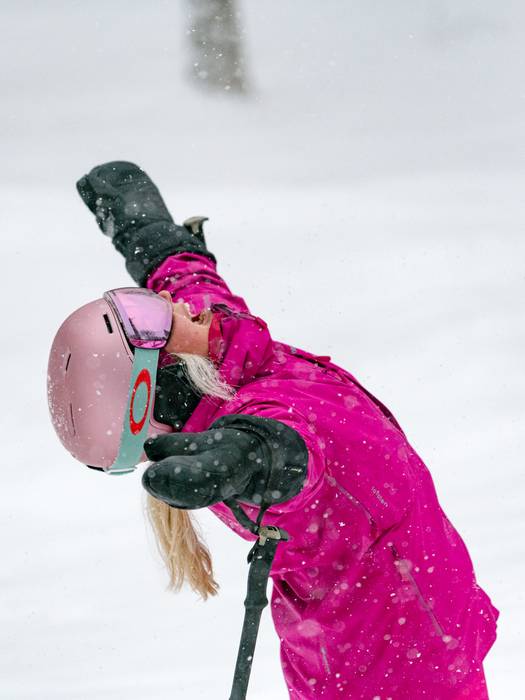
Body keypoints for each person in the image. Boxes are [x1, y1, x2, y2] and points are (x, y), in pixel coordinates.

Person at [73, 161, 499, 698]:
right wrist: (250, 458)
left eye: (144, 306)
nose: (172, 304)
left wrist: (151, 233)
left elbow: (189, 283)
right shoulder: (264, 420)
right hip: (394, 671)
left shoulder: (221, 352)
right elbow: (294, 453)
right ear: (170, 375)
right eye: (157, 320)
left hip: (428, 616)